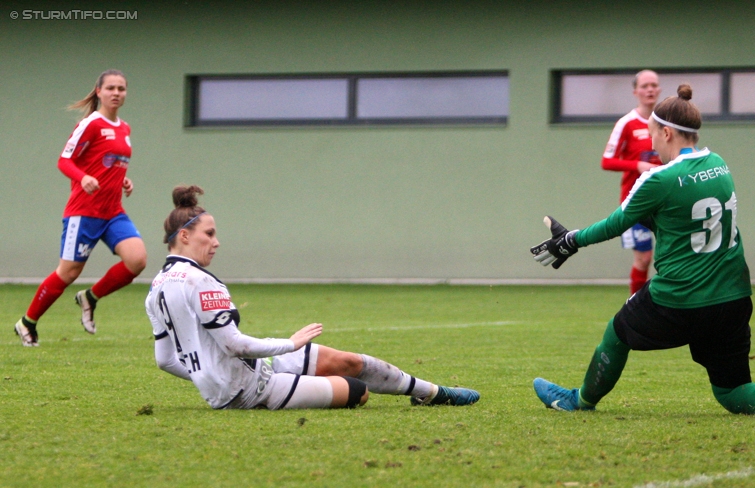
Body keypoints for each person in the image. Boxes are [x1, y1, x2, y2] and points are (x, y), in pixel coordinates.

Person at [529, 85, 755, 419]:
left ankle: (580, 400)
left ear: (667, 132)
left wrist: (571, 241)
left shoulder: (659, 179)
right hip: (733, 299)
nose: (652, 143)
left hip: (679, 299)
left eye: (653, 135)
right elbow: (680, 221)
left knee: (617, 332)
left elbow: (617, 223)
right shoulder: (720, 165)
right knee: (730, 390)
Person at [145, 185, 481, 410]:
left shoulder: (156, 286)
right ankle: (431, 393)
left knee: (349, 361)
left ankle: (432, 393)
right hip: (249, 390)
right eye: (210, 234)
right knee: (358, 391)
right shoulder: (200, 281)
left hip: (246, 374)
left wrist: (206, 374)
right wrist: (289, 344)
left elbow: (165, 360)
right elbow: (236, 346)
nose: (216, 242)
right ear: (185, 236)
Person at [14, 69, 146, 347]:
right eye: (110, 88)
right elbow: (65, 161)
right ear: (99, 92)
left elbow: (110, 162)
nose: (116, 93)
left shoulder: (125, 128)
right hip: (83, 212)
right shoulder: (91, 124)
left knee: (137, 260)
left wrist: (124, 180)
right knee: (68, 273)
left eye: (121, 88)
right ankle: (27, 322)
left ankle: (90, 297)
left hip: (113, 212)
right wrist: (82, 176)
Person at [601, 70, 663, 295]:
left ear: (659, 90)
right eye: (645, 86)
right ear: (635, 91)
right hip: (636, 201)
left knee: (669, 258)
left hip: (665, 201)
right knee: (644, 258)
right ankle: (634, 306)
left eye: (654, 85)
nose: (650, 89)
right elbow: (606, 161)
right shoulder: (626, 123)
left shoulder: (665, 122)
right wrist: (637, 166)